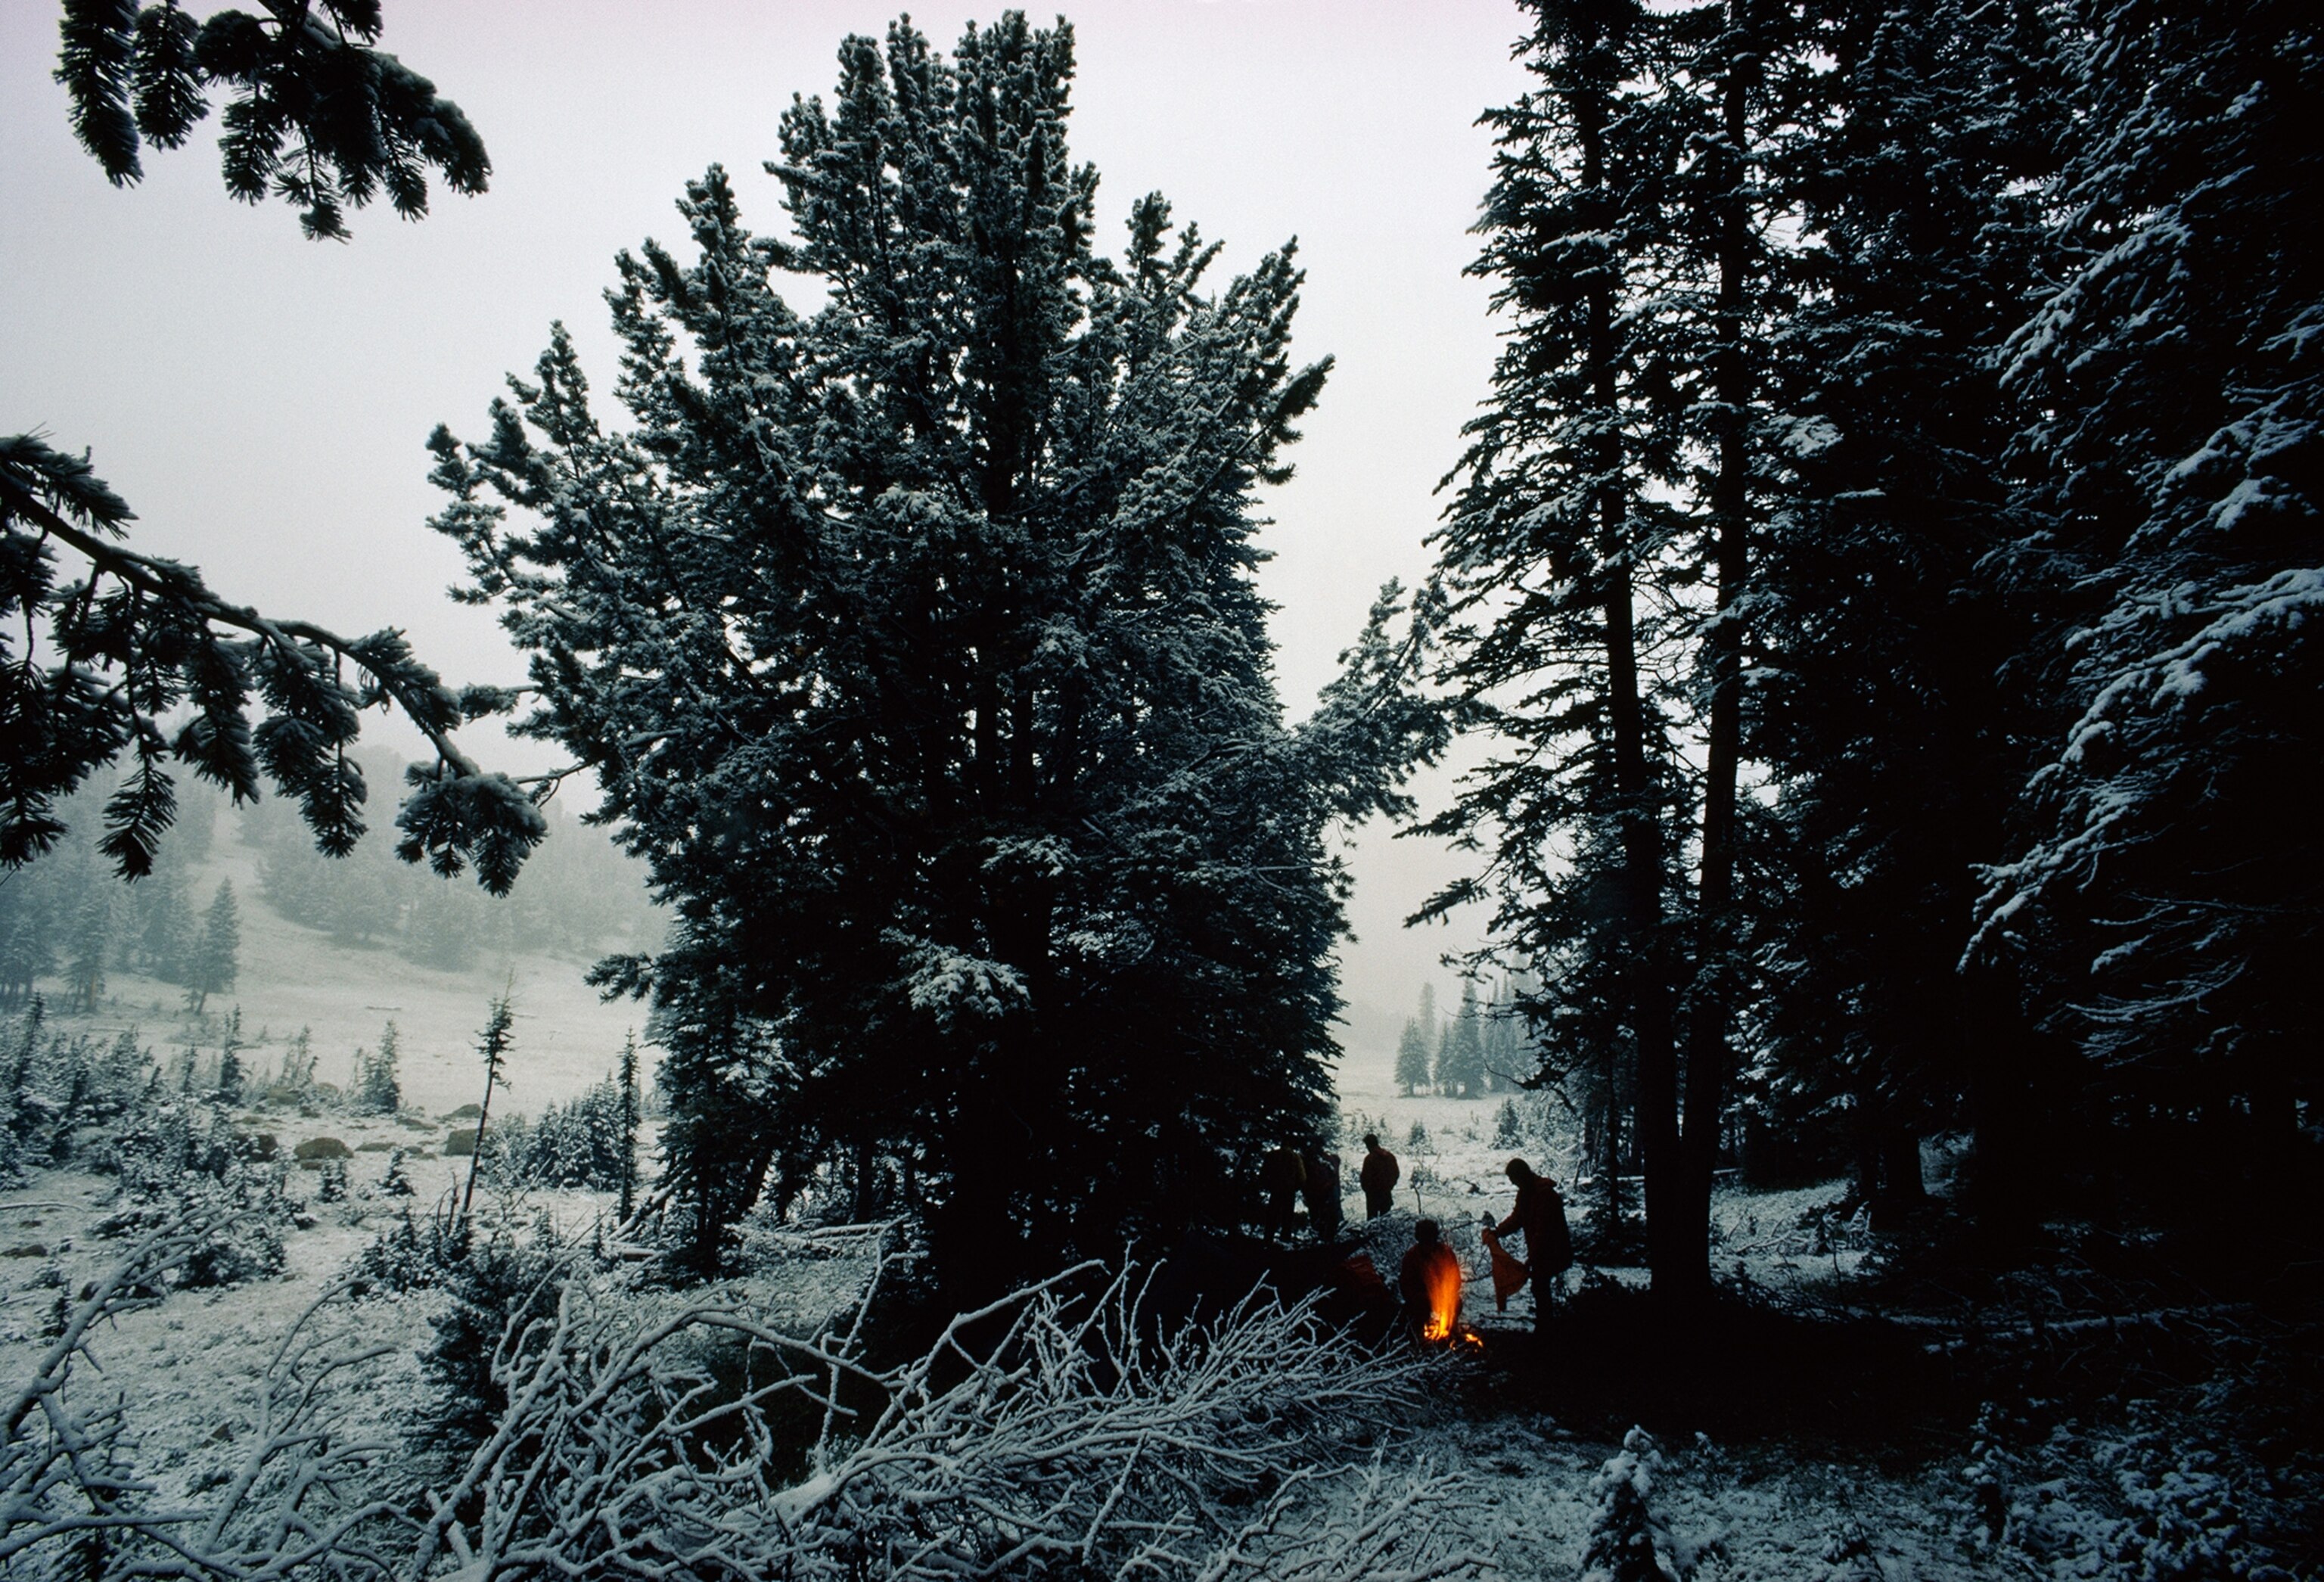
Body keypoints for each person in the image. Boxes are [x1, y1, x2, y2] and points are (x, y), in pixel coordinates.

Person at [1496, 1158, 1574, 1325]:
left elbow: (1543, 1232)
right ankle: (1545, 1326)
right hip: (1542, 1251)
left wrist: (1532, 1258)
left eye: (1513, 1179)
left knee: (1540, 1287)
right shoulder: (1525, 1193)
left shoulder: (1544, 1195)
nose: (1512, 1183)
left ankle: (1545, 1330)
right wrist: (1498, 1232)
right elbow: (1517, 1218)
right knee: (1540, 1287)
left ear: (1521, 1176)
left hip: (1553, 1250)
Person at [1397, 1217, 1462, 1342]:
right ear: (1419, 1240)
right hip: (1421, 1300)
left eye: (1431, 1241)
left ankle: (1450, 1332)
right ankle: (1421, 1336)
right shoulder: (1411, 1257)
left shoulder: (1446, 1253)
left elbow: (1456, 1281)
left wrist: (1442, 1295)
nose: (1428, 1246)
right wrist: (1425, 1297)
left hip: (1443, 1298)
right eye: (1425, 1242)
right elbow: (1406, 1287)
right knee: (1416, 1311)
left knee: (1456, 1302)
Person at [1258, 1142, 1306, 1240]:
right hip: (1289, 1191)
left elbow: (1264, 1172)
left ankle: (1268, 1238)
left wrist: (1268, 1186)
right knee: (1287, 1217)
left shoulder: (1272, 1155)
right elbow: (1302, 1177)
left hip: (1276, 1189)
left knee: (1272, 1214)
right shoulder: (1295, 1157)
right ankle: (1285, 1240)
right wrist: (1295, 1187)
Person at [1303, 1149, 1344, 1242]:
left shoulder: (1311, 1161)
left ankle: (1322, 1239)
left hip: (1319, 1194)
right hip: (1328, 1193)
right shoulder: (1331, 1159)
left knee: (1320, 1218)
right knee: (1332, 1218)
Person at [1359, 1133, 1400, 1219]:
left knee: (1372, 1222)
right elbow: (1396, 1174)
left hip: (1373, 1196)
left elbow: (1365, 1178)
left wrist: (1368, 1190)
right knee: (1385, 1221)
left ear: (1368, 1145)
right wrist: (1389, 1186)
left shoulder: (1370, 1158)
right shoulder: (1390, 1156)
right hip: (1386, 1194)